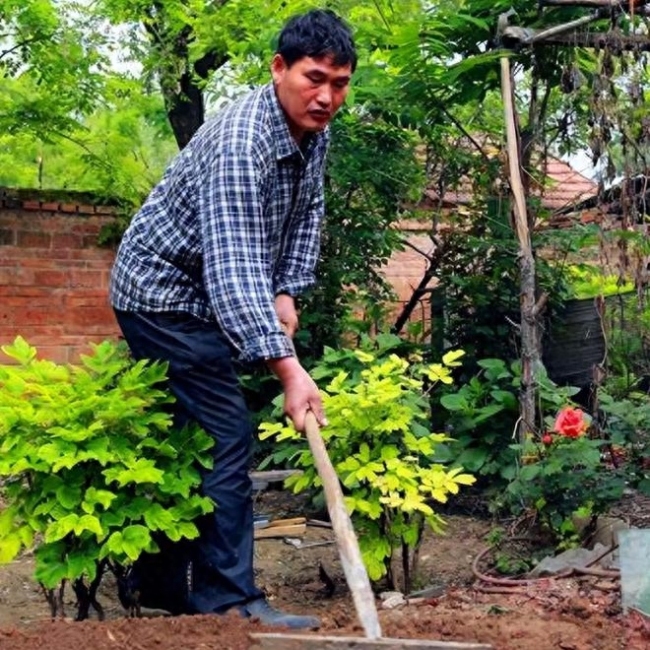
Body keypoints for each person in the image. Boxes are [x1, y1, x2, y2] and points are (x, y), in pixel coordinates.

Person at [109, 9, 356, 630]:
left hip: (203, 292)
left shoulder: (311, 132)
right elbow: (234, 270)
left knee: (192, 439)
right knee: (226, 434)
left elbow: (307, 215)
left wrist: (289, 292)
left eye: (341, 82)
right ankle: (228, 601)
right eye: (314, 77)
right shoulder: (241, 142)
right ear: (279, 68)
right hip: (162, 296)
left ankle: (166, 590)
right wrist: (290, 370)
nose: (327, 96)